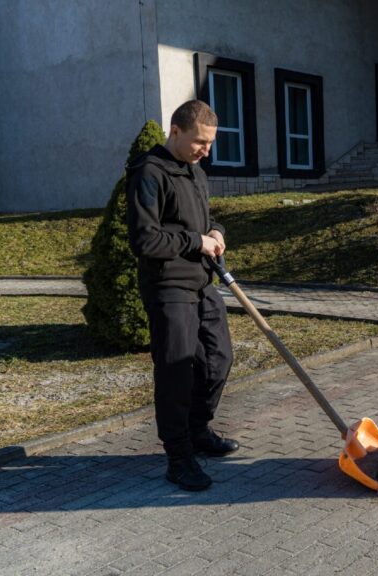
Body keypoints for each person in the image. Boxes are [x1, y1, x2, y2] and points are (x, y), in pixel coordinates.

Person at [127, 100, 239, 491]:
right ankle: (178, 456)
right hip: (168, 286)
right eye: (200, 142)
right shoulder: (149, 172)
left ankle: (198, 430)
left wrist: (217, 231)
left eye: (210, 144)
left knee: (218, 359)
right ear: (175, 132)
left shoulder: (195, 172)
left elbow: (203, 222)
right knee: (175, 371)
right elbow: (145, 239)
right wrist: (197, 241)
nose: (206, 151)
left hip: (201, 281)